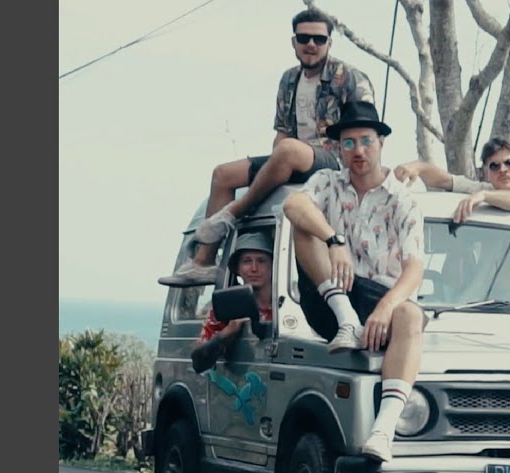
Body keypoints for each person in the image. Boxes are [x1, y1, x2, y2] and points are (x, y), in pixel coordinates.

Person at [160, 8, 376, 287]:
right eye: (304, 38)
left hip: (334, 159)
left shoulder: (350, 77)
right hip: (293, 157)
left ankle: (232, 213)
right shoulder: (289, 79)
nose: (311, 44)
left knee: (288, 150)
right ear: (294, 42)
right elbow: (282, 132)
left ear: (329, 43)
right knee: (223, 174)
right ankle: (204, 261)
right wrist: (273, 171)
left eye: (319, 39)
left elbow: (365, 130)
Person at [282, 101, 426, 463]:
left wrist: (386, 308)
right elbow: (293, 206)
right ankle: (347, 321)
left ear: (381, 143)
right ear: (338, 147)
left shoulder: (403, 199)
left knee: (411, 315)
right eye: (348, 143)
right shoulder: (327, 182)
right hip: (330, 299)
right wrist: (335, 241)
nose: (358, 151)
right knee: (305, 223)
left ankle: (384, 430)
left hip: (378, 299)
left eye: (365, 141)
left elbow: (414, 268)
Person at [393, 137, 510, 252]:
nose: (502, 169)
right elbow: (446, 180)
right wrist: (419, 167)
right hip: (486, 287)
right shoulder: (485, 190)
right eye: (494, 166)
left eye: (509, 163)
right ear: (487, 173)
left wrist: (483, 196)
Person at [190, 232, 274, 373]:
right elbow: (198, 361)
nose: (254, 268)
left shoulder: (290, 302)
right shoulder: (228, 305)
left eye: (261, 261)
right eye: (247, 261)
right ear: (237, 269)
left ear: (273, 265)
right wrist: (227, 333)